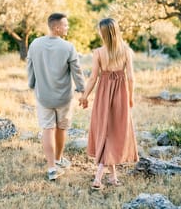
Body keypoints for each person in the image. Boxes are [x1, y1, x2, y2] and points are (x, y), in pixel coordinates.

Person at [79, 18, 138, 190]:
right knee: (111, 131)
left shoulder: (98, 52)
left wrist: (85, 96)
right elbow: (131, 78)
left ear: (102, 33)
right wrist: (131, 98)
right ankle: (103, 177)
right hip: (121, 94)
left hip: (104, 94)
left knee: (106, 130)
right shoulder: (126, 51)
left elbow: (93, 78)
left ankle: (104, 178)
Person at [27, 12, 85, 181]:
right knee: (61, 128)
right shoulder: (68, 47)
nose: (67, 27)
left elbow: (30, 68)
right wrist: (82, 90)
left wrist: (32, 84)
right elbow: (77, 72)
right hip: (63, 97)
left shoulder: (35, 44)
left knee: (47, 129)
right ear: (57, 27)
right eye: (66, 25)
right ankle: (58, 160)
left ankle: (52, 167)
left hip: (43, 96)